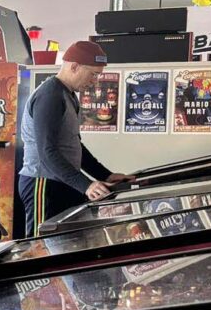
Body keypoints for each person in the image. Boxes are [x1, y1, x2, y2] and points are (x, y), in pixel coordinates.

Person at [18, 40, 134, 236]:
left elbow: (73, 144)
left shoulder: (68, 94)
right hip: (43, 183)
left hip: (63, 181)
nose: (95, 81)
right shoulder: (50, 96)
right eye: (93, 74)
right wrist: (86, 185)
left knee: (68, 242)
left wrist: (103, 175)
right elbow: (47, 151)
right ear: (74, 67)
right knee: (40, 245)